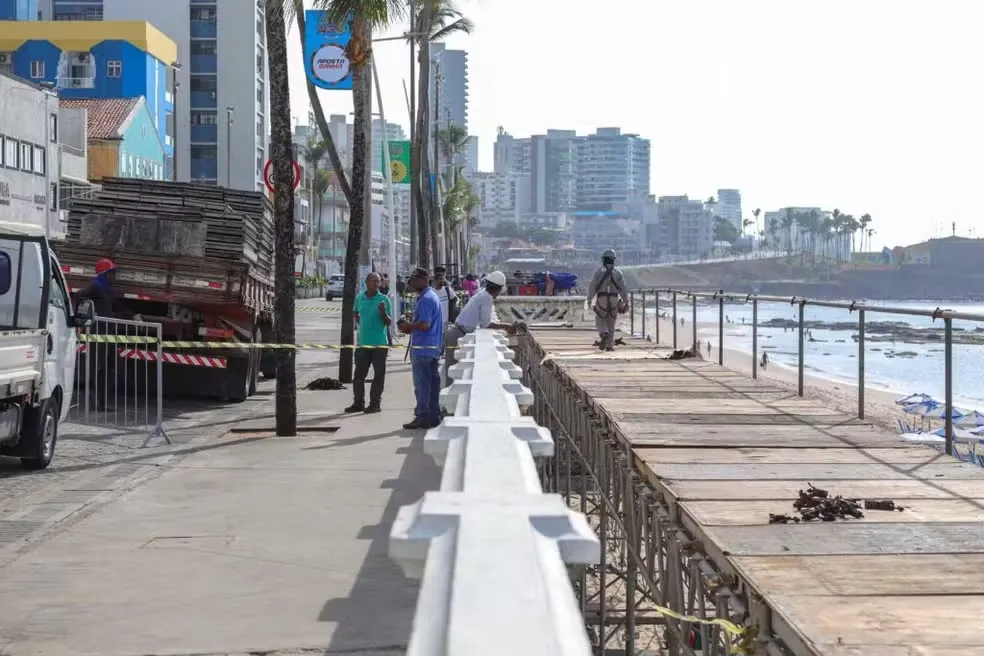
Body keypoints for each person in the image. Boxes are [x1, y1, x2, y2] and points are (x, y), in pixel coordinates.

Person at [442, 271, 517, 382]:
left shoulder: (482, 295)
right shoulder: (487, 298)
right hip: (457, 335)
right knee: (453, 377)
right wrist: (506, 326)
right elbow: (486, 324)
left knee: (453, 373)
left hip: (457, 333)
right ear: (498, 289)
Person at [398, 268, 444, 430]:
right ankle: (433, 415)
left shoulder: (426, 299)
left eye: (415, 278)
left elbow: (425, 325)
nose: (412, 282)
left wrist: (408, 326)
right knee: (432, 384)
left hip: (423, 348)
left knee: (422, 385)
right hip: (431, 348)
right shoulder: (431, 297)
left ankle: (423, 416)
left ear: (425, 279)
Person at [345, 272, 392, 414]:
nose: (377, 284)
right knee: (359, 375)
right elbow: (355, 312)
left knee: (378, 375)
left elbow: (388, 322)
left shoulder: (384, 300)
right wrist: (359, 321)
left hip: (379, 344)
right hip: (363, 344)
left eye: (378, 281)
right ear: (367, 283)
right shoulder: (360, 298)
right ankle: (358, 402)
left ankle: (375, 404)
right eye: (374, 281)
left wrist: (383, 312)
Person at [587, 249, 629, 351]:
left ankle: (603, 333)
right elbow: (623, 288)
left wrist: (589, 299)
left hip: (602, 299)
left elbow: (593, 286)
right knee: (612, 322)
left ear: (604, 260)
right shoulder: (618, 273)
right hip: (614, 299)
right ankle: (610, 346)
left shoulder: (599, 272)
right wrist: (626, 301)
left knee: (600, 320)